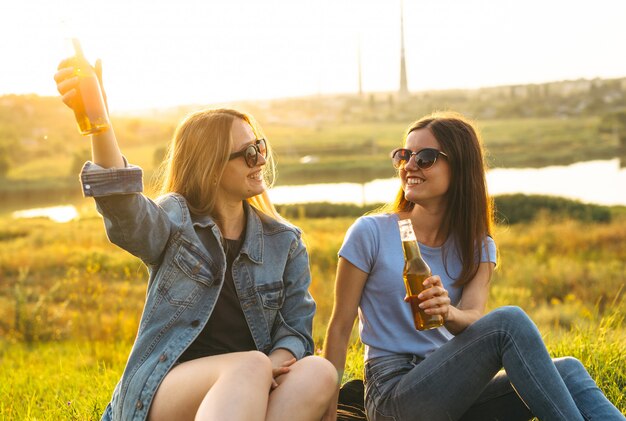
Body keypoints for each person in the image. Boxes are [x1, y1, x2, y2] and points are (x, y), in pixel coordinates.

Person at [54, 58, 337, 421]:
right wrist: (99, 120)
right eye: (248, 153)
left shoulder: (285, 241)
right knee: (247, 366)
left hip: (249, 391)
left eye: (260, 147)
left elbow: (296, 331)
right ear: (211, 166)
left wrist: (272, 365)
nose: (260, 160)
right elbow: (123, 206)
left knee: (319, 371)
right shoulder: (176, 219)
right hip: (167, 391)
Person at [322, 112, 625, 421]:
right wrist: (328, 416)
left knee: (569, 369)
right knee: (509, 322)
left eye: (425, 157)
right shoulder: (370, 233)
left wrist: (448, 313)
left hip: (452, 387)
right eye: (404, 155)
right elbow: (339, 328)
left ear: (461, 168)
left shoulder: (478, 244)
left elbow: (473, 318)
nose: (410, 166)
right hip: (393, 397)